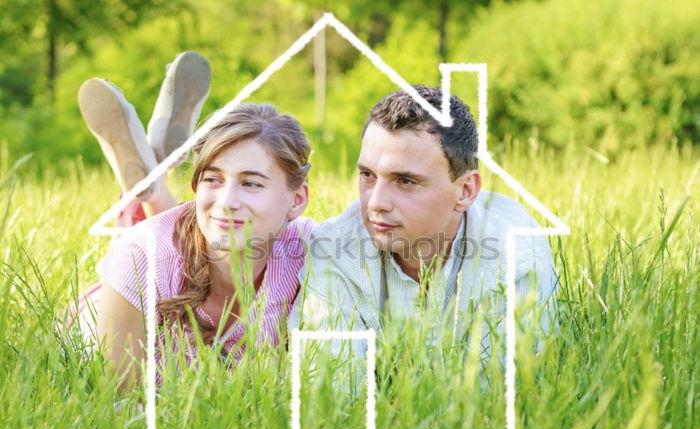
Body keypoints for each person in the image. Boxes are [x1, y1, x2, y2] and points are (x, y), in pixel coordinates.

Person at [65, 52, 314, 390]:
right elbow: (122, 409)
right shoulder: (140, 260)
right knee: (157, 244)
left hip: (175, 251)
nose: (226, 201)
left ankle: (151, 186)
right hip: (99, 317)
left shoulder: (311, 255)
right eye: (212, 179)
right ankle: (148, 188)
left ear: (296, 200)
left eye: (251, 183)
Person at [289, 85, 559, 360]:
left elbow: (502, 390)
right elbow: (330, 388)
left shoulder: (517, 251)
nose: (376, 203)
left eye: (405, 181)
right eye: (368, 176)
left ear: (465, 190)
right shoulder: (333, 249)